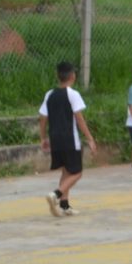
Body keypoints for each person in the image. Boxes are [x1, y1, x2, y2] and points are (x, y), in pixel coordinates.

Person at [38, 61, 97, 218]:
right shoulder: (73, 94)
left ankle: (64, 205)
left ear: (58, 76)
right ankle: (56, 194)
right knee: (77, 173)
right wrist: (90, 138)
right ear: (73, 76)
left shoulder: (49, 94)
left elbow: (42, 118)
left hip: (55, 139)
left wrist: (43, 137)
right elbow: (79, 119)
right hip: (70, 140)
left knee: (66, 170)